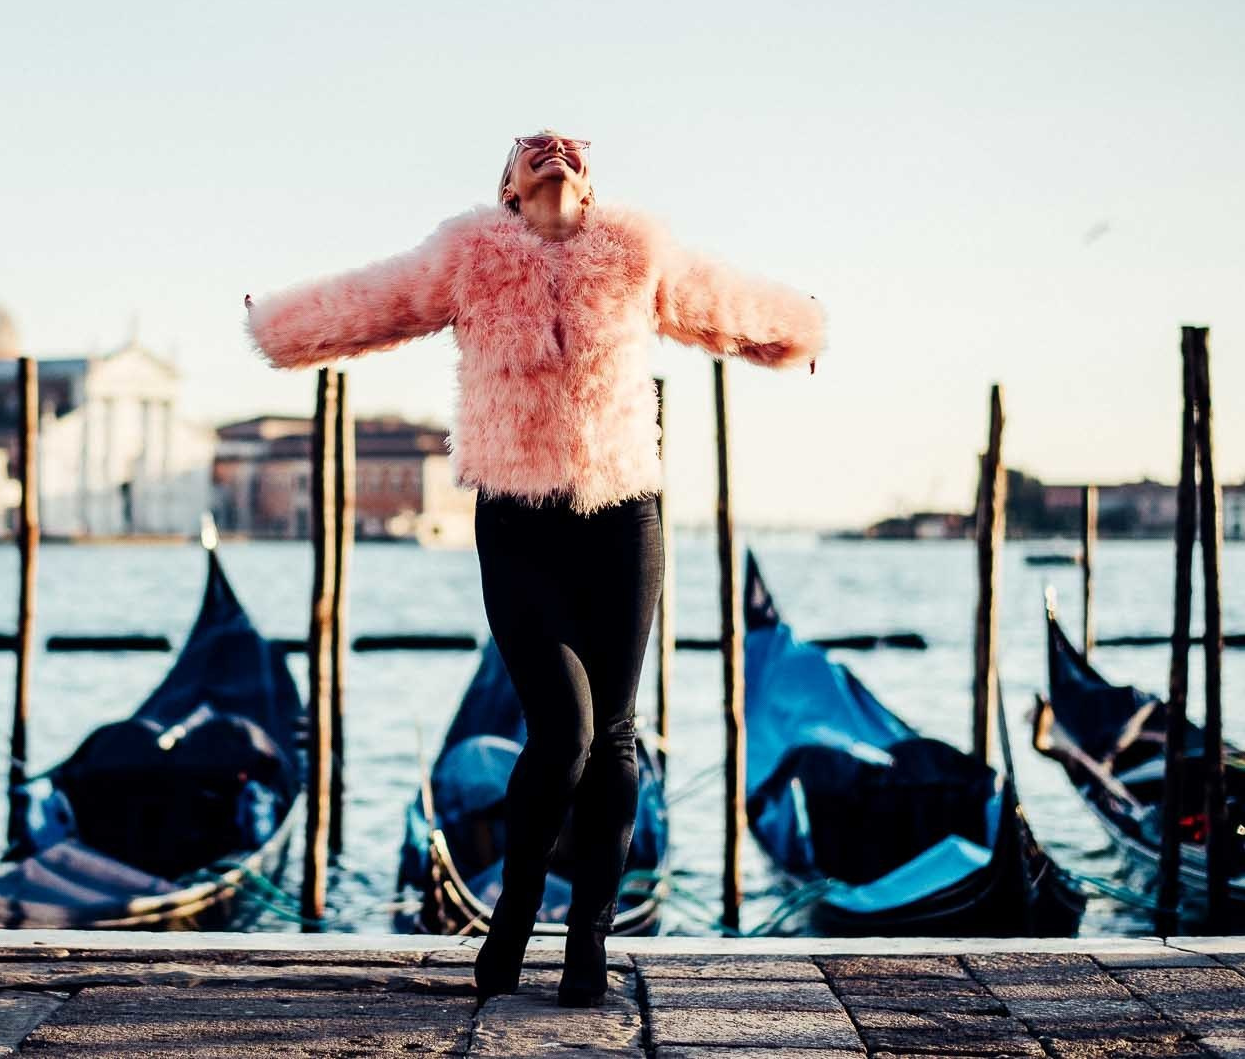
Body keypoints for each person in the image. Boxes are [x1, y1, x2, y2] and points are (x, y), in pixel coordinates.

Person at [244, 132, 824, 1005]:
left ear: (588, 186)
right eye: (532, 148)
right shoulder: (469, 256)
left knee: (616, 736)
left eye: (571, 150)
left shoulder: (636, 253)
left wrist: (795, 329)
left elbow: (719, 301)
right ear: (510, 186)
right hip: (517, 522)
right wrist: (278, 328)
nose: (554, 154)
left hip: (623, 515)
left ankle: (588, 933)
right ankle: (516, 909)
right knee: (564, 731)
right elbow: (378, 302)